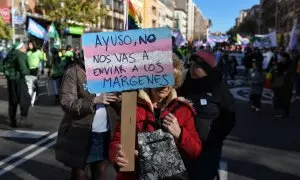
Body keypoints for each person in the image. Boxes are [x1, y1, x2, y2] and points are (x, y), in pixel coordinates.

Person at [109, 55, 202, 180]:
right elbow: (117, 142)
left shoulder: (183, 110)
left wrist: (180, 133)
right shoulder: (131, 105)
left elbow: (195, 151)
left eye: (169, 79)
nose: (164, 85)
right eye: (158, 78)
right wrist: (117, 154)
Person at [55, 54, 120, 180]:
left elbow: (119, 100)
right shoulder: (74, 72)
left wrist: (120, 98)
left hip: (105, 133)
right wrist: (94, 100)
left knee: (100, 172)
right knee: (79, 173)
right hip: (81, 133)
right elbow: (67, 103)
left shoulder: (111, 70)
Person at [178, 50, 236, 180]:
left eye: (196, 67)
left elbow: (229, 118)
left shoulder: (219, 88)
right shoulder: (182, 84)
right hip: (182, 145)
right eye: (191, 65)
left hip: (207, 150)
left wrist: (214, 138)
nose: (192, 69)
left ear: (207, 70)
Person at [3, 42, 32, 128]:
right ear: (21, 48)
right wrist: (27, 72)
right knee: (25, 98)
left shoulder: (9, 54)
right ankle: (23, 119)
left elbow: (2, 65)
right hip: (19, 79)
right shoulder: (21, 55)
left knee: (13, 100)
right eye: (24, 47)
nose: (25, 48)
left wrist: (7, 73)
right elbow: (23, 68)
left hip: (10, 79)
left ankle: (13, 120)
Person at [271, 52, 291, 118]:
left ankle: (284, 112)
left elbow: (289, 77)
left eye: (282, 57)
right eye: (281, 57)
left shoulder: (289, 66)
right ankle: (278, 112)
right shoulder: (278, 65)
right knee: (277, 98)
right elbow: (274, 73)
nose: (281, 58)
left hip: (284, 85)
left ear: (286, 58)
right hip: (277, 83)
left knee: (284, 99)